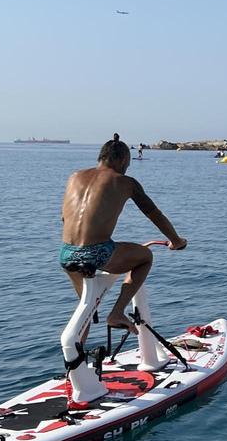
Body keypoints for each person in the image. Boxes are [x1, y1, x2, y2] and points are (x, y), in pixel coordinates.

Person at [60, 133, 187, 333]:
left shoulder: (74, 177)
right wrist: (176, 240)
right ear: (122, 160)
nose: (127, 168)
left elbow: (64, 219)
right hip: (98, 253)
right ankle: (117, 312)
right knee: (145, 257)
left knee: (85, 310)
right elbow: (154, 214)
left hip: (67, 253)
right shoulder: (126, 182)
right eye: (127, 164)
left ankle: (77, 361)